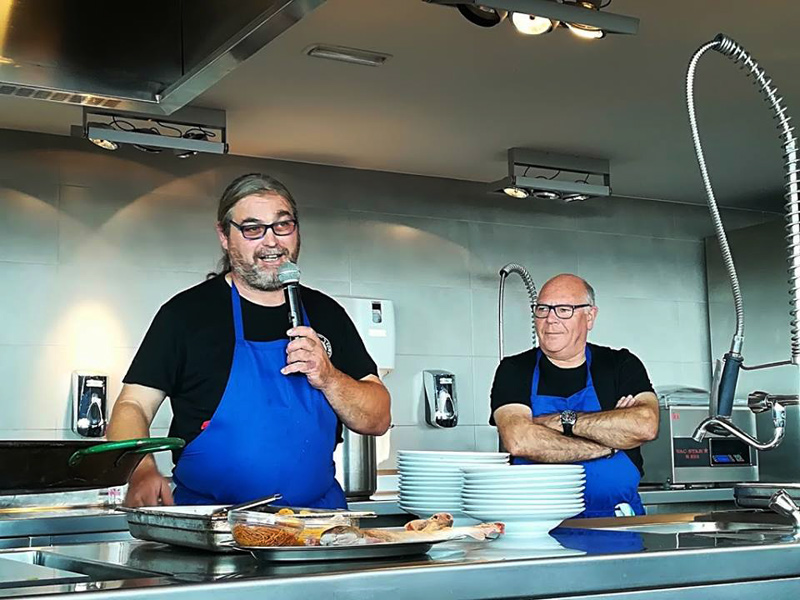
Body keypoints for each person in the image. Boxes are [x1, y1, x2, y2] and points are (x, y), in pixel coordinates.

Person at [107, 173, 391, 509]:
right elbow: (132, 406)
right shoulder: (185, 315)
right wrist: (141, 471)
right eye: (253, 229)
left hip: (316, 530)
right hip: (212, 530)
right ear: (224, 236)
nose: (271, 242)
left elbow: (378, 418)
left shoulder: (326, 313)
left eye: (282, 225)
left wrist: (329, 377)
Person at [490, 273, 658, 518]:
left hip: (617, 526)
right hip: (536, 525)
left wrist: (559, 422)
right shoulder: (515, 369)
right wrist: (608, 445)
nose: (550, 319)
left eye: (564, 310)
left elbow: (645, 426)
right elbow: (520, 441)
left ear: (590, 316)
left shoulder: (620, 365)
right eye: (543, 309)